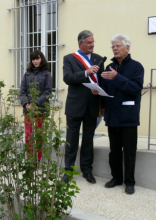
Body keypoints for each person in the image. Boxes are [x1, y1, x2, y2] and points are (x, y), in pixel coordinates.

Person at [94, 34, 144, 194]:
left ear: (127, 48)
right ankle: (116, 178)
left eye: (118, 46)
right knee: (114, 151)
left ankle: (130, 182)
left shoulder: (136, 67)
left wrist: (118, 77)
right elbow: (105, 90)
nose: (115, 49)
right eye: (113, 47)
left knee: (129, 151)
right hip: (112, 115)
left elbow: (135, 88)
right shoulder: (109, 67)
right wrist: (98, 91)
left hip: (128, 117)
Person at [62, 30, 104, 184]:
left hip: (92, 105)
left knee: (88, 140)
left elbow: (102, 81)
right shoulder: (69, 59)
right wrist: (86, 72)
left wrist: (99, 89)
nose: (92, 45)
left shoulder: (99, 59)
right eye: (89, 42)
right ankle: (68, 171)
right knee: (71, 140)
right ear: (80, 43)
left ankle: (87, 170)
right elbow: (67, 78)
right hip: (75, 106)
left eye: (93, 42)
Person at [20, 50, 52, 160]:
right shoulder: (27, 74)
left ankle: (38, 159)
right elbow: (22, 91)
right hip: (28, 110)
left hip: (40, 109)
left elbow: (48, 92)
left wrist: (36, 104)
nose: (35, 61)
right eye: (33, 59)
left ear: (41, 59)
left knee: (39, 136)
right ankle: (29, 160)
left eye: (37, 58)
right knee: (28, 136)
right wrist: (26, 104)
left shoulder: (47, 74)